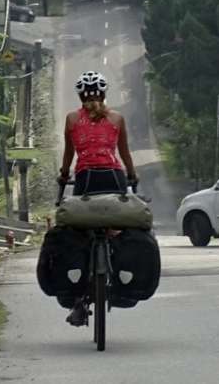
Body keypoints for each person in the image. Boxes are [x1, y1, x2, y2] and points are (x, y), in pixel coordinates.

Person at [54, 70, 137, 326]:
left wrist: (63, 175)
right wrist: (131, 176)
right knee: (118, 229)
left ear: (81, 96)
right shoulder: (117, 118)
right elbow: (124, 154)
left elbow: (69, 156)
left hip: (86, 178)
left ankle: (79, 300)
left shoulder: (71, 119)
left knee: (79, 233)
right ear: (104, 94)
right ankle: (118, 269)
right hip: (114, 177)